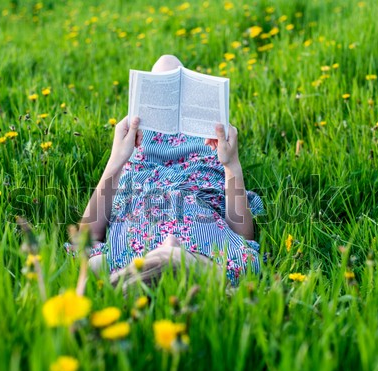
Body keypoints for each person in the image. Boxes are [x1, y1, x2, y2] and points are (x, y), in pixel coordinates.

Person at [67, 54, 264, 289]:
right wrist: (232, 165)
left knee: (165, 66)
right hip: (200, 166)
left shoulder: (112, 264)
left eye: (159, 249)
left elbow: (87, 238)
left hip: (143, 167)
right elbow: (243, 234)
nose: (172, 238)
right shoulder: (233, 266)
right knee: (179, 76)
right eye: (182, 250)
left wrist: (117, 158)